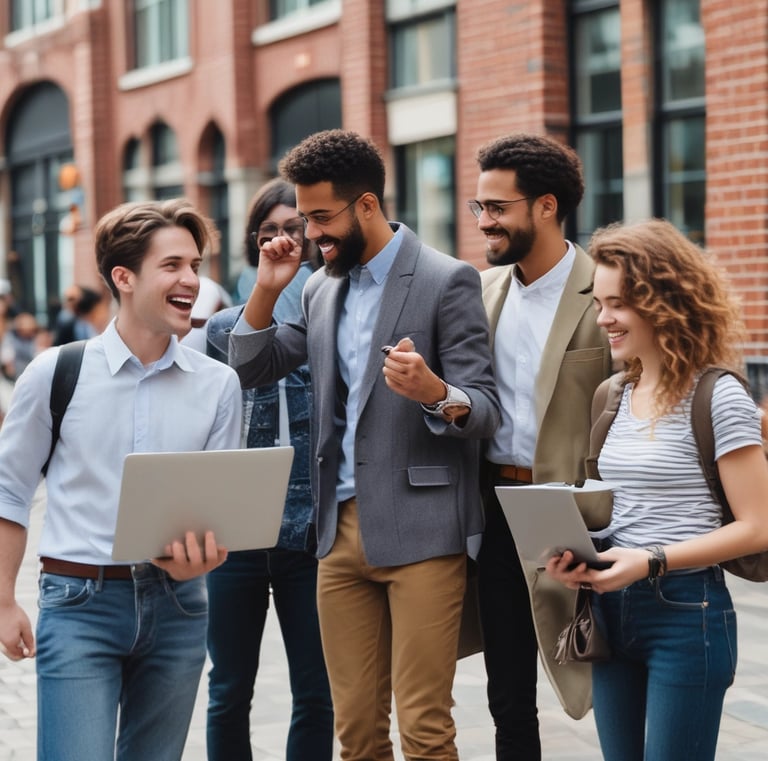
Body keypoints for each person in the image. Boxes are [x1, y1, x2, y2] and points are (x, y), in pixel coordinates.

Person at [229, 129, 500, 760]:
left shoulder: (446, 279)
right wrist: (269, 287)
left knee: (425, 730)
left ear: (368, 205)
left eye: (323, 218)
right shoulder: (322, 286)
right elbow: (250, 366)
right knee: (354, 734)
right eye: (306, 218)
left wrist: (435, 390)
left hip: (425, 530)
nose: (313, 234)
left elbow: (484, 409)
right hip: (339, 536)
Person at [0, 199, 243, 761]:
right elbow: (10, 491)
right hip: (79, 601)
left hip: (181, 606)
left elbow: (220, 511)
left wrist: (203, 558)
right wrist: (4, 600)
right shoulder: (56, 373)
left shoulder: (218, 385)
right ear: (123, 277)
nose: (191, 280)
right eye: (173, 265)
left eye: (196, 265)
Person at [546, 218, 768, 761]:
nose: (604, 320)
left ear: (666, 301)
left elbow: (758, 525)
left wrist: (650, 561)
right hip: (609, 607)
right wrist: (578, 554)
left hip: (686, 612)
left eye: (618, 303)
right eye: (598, 303)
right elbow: (616, 512)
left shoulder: (718, 398)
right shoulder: (611, 395)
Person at [471, 133, 612, 758]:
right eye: (480, 208)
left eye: (497, 208)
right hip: (498, 508)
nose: (484, 222)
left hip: (582, 512)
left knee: (604, 665)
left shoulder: (605, 291)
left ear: (547, 206)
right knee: (507, 685)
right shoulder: (482, 292)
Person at [204, 178, 333, 761]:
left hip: (310, 532)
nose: (283, 242)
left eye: (294, 229)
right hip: (233, 535)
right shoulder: (221, 329)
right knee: (229, 689)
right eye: (269, 232)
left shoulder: (332, 322)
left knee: (318, 689)